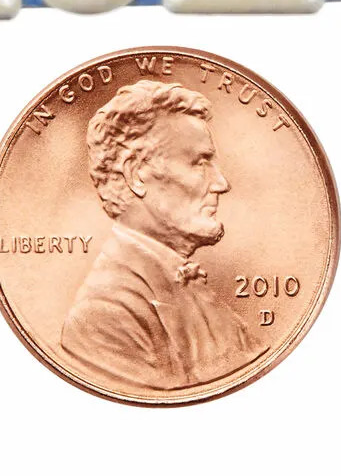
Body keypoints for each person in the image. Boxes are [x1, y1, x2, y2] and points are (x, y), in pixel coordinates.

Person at [61, 80, 263, 390]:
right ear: (136, 174)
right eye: (200, 163)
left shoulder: (195, 291)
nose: (221, 183)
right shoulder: (104, 315)